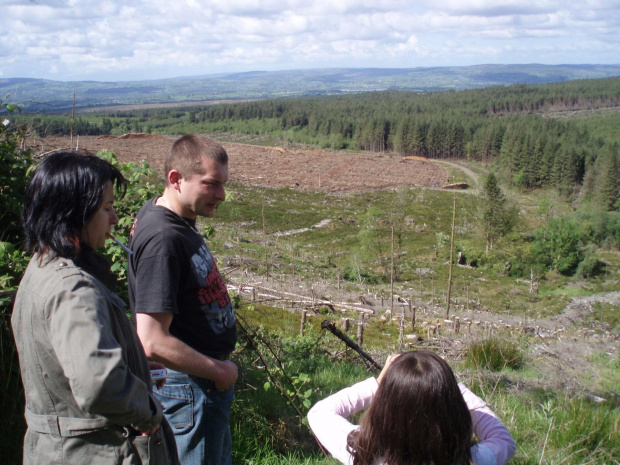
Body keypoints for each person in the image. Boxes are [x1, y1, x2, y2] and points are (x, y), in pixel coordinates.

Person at [11, 151, 179, 465]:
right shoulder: (72, 288)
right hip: (91, 453)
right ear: (74, 213)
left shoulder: (41, 268)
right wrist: (147, 409)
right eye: (107, 208)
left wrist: (134, 367)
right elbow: (98, 383)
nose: (115, 219)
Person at [129, 134, 238, 465]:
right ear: (175, 179)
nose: (221, 195)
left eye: (223, 184)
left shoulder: (174, 217)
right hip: (189, 390)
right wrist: (219, 371)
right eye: (211, 184)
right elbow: (151, 340)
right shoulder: (163, 238)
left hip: (200, 388)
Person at [308, 350, 516, 465]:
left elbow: (320, 413)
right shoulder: (472, 460)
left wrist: (379, 384)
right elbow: (503, 439)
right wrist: (449, 385)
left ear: (384, 407)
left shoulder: (363, 451)